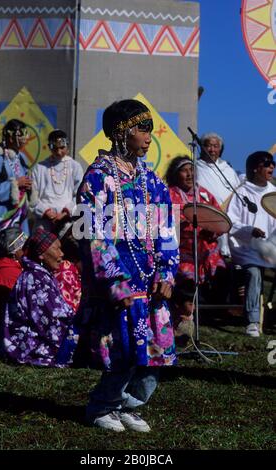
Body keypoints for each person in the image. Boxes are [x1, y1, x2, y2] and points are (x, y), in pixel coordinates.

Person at [75, 99, 179, 432]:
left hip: (150, 277)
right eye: (142, 129)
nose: (149, 137)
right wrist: (114, 281)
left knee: (155, 354)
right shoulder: (98, 179)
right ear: (121, 132)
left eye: (150, 129)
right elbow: (93, 234)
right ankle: (102, 406)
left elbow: (165, 229)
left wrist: (167, 271)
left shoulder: (152, 180)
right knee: (122, 347)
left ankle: (127, 405)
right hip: (119, 279)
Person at [0, 228, 78, 367]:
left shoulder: (39, 275)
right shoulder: (35, 280)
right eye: (57, 249)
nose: (62, 253)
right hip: (29, 346)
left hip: (37, 338)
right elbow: (51, 323)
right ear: (41, 254)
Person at [227, 151, 276, 337]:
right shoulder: (241, 192)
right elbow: (231, 222)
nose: (271, 167)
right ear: (255, 168)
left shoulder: (273, 193)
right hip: (246, 248)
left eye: (273, 164)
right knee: (254, 273)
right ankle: (253, 321)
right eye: (267, 164)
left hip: (270, 249)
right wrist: (250, 230)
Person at [166, 156, 227, 302]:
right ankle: (186, 311)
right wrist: (184, 225)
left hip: (206, 248)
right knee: (187, 281)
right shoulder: (169, 194)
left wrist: (212, 230)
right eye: (184, 171)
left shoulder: (204, 194)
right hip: (182, 250)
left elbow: (219, 219)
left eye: (192, 170)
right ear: (176, 175)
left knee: (222, 274)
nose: (189, 174)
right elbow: (167, 226)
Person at [196, 133, 241, 257]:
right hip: (208, 218)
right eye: (208, 146)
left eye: (215, 146)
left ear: (220, 149)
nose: (212, 150)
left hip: (229, 217)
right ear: (202, 147)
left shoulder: (229, 170)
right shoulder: (195, 168)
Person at [30, 129, 84, 232]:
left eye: (62, 147)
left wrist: (64, 213)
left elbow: (79, 195)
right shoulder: (40, 167)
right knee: (41, 245)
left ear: (67, 146)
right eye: (55, 148)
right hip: (44, 220)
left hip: (67, 220)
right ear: (50, 147)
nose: (59, 152)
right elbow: (32, 197)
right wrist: (46, 212)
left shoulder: (74, 166)